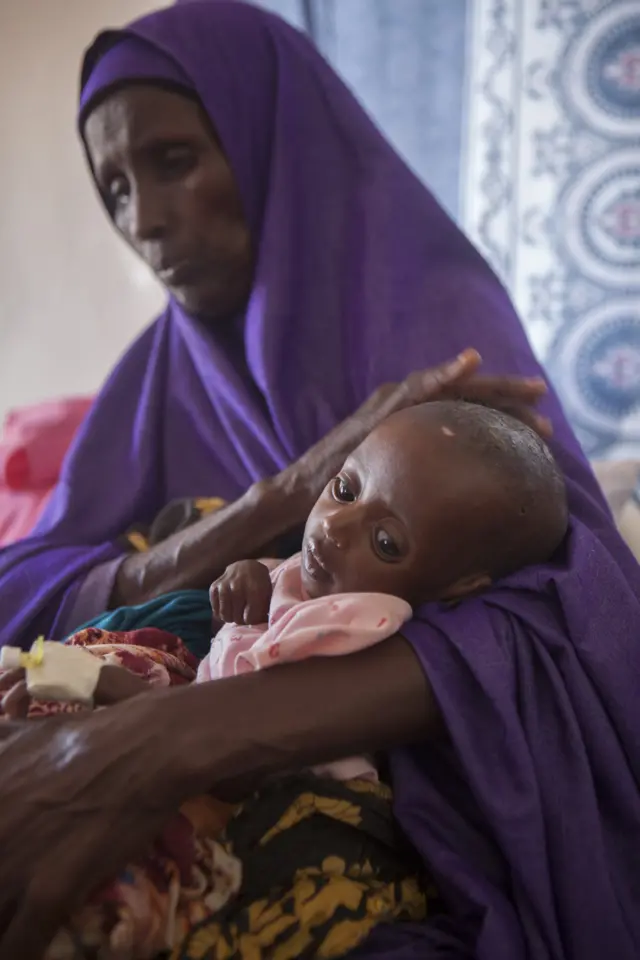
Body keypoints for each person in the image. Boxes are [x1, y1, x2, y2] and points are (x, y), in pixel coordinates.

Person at [0, 2, 638, 959]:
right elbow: (28, 583)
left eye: (174, 162)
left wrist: (165, 743)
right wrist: (283, 495)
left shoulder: (432, 330)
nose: (147, 220)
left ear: (273, 146)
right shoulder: (157, 374)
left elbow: (575, 621)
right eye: (117, 188)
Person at [0, 401, 568, 960]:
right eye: (345, 488)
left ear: (460, 585)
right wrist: (246, 583)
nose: (335, 528)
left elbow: (227, 746)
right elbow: (243, 639)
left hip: (267, 786)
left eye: (387, 542)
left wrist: (93, 682)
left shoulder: (359, 627)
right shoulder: (326, 573)